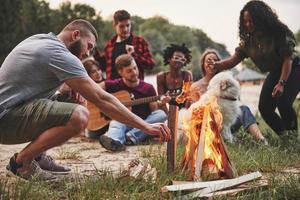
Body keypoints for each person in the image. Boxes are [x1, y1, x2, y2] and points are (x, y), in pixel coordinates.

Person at [0, 19, 170, 181]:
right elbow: (103, 99)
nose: (88, 53)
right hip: (5, 119)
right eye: (89, 46)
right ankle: (21, 162)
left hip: (12, 111)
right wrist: (145, 126)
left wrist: (67, 89)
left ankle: (37, 156)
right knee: (80, 115)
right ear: (75, 35)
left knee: (72, 99)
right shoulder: (60, 53)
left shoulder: (40, 40)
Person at [209, 1, 300, 138]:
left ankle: (293, 136)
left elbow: (288, 58)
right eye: (245, 21)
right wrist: (218, 65)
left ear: (261, 19)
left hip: (293, 68)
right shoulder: (249, 41)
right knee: (264, 108)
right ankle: (285, 136)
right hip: (275, 72)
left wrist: (281, 83)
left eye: (251, 21)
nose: (248, 24)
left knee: (283, 102)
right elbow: (234, 59)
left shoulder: (278, 32)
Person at [190, 49, 267, 144]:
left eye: (215, 60)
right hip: (208, 126)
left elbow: (235, 103)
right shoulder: (196, 86)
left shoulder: (228, 81)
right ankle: (226, 139)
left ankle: (261, 139)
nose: (211, 63)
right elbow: (193, 112)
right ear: (203, 64)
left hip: (228, 122)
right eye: (208, 60)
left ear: (219, 64)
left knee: (244, 109)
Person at [99, 54, 168, 152]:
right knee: (115, 122)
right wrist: (104, 104)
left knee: (161, 114)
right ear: (120, 72)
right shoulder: (114, 84)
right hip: (125, 122)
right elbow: (96, 89)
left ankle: (130, 137)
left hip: (142, 125)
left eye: (135, 68)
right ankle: (115, 142)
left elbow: (154, 111)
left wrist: (161, 104)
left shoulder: (148, 88)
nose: (134, 72)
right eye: (129, 71)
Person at [102, 9, 155, 80]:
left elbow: (151, 65)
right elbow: (104, 67)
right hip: (113, 88)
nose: (125, 29)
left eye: (128, 25)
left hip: (134, 88)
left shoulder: (140, 41)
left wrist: (134, 55)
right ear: (114, 26)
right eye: (121, 26)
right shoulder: (109, 45)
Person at [156, 43, 193, 112]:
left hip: (185, 110)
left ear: (185, 62)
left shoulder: (187, 75)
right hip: (169, 111)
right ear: (169, 59)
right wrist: (169, 116)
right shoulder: (161, 77)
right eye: (176, 58)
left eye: (182, 59)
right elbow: (162, 100)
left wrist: (184, 116)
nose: (179, 61)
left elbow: (188, 99)